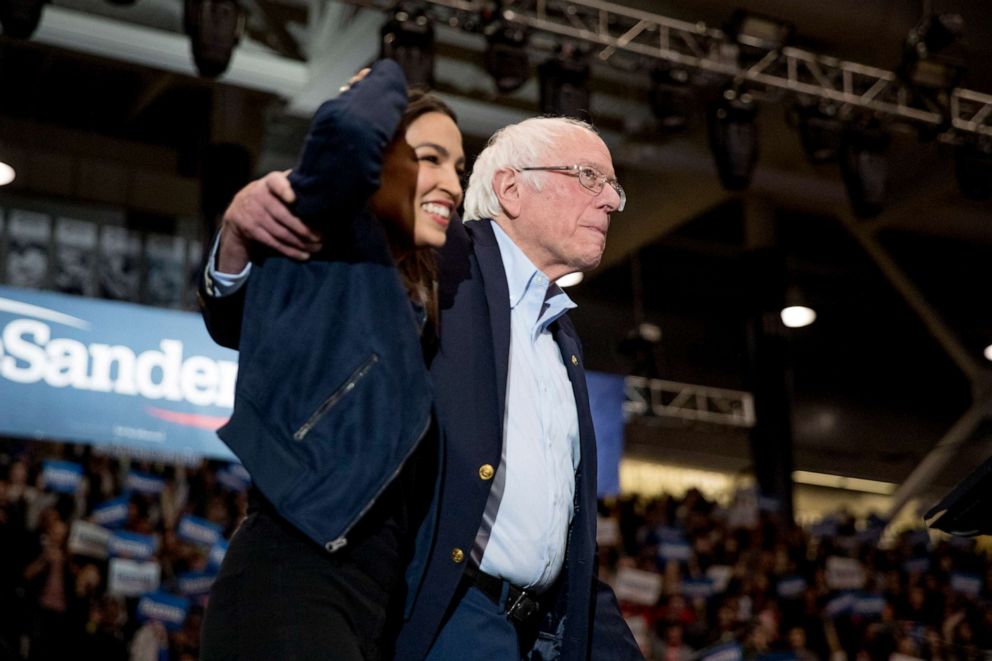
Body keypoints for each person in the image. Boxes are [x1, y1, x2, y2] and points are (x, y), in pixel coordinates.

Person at [201, 115, 642, 659]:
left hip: (530, 635)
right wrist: (240, 238)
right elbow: (283, 306)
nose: (610, 202)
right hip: (444, 615)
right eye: (589, 178)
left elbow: (573, 544)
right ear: (511, 188)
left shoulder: (562, 334)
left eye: (613, 187)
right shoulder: (441, 259)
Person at [198, 59, 465, 661]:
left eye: (458, 168)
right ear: (384, 162)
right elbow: (347, 133)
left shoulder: (417, 310)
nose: (451, 183)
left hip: (371, 607)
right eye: (430, 158)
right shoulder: (331, 238)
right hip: (293, 580)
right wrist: (393, 72)